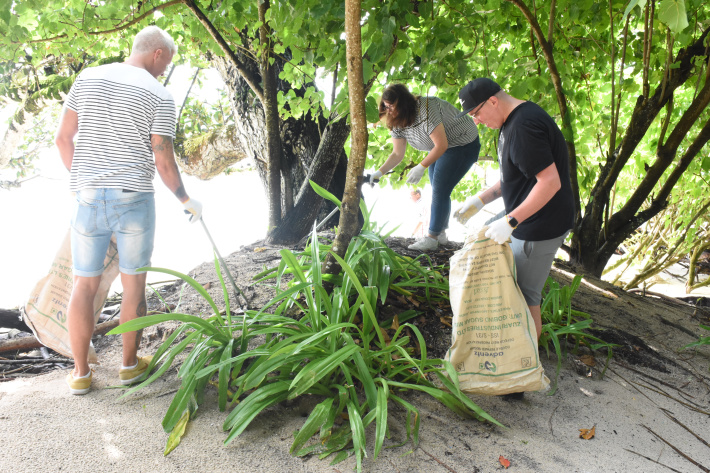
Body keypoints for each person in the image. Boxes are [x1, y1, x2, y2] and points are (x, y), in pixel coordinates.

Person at [54, 25, 203, 395]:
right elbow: (163, 158)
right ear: (157, 54)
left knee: (83, 286)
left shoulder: (87, 78)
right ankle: (128, 366)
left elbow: (62, 138)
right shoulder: (159, 93)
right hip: (133, 198)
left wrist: (85, 181)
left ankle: (80, 374)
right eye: (167, 61)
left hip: (87, 198)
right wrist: (186, 199)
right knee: (133, 283)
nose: (166, 69)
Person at [454, 77, 574, 341]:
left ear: (493, 101)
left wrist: (510, 221)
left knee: (525, 294)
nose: (476, 121)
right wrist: (481, 200)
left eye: (476, 113)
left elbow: (550, 183)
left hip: (540, 224)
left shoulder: (523, 127)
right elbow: (517, 174)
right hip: (527, 215)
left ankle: (527, 364)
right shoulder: (512, 120)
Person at [370, 84, 480, 251]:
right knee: (439, 187)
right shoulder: (396, 121)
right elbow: (397, 154)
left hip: (463, 143)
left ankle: (432, 238)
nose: (388, 111)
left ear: (404, 103)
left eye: (392, 106)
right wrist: (379, 172)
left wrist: (421, 166)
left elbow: (441, 144)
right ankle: (441, 233)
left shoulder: (426, 109)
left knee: (440, 189)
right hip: (441, 146)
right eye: (385, 106)